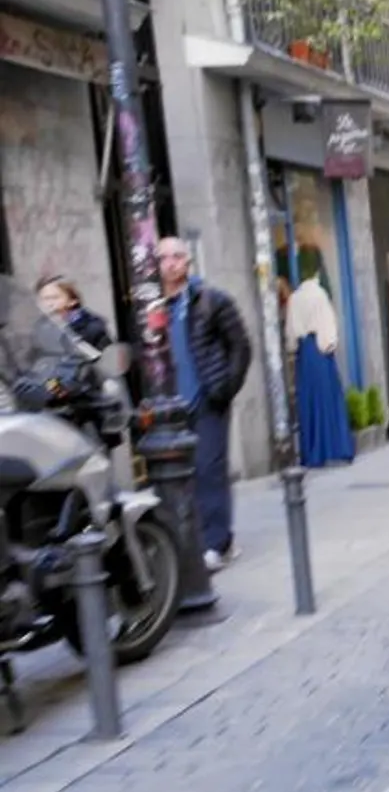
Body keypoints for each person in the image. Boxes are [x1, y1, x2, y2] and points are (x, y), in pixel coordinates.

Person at [156, 238, 253, 572]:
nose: (170, 263)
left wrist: (224, 388)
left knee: (209, 471)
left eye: (177, 256)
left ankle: (217, 543)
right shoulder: (150, 307)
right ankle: (193, 540)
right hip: (169, 406)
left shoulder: (212, 301)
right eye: (163, 258)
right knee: (182, 477)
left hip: (207, 400)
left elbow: (241, 346)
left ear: (188, 262)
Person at [284, 275, 356, 468]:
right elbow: (328, 326)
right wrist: (329, 344)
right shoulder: (319, 295)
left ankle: (313, 452)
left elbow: (290, 333)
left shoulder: (294, 298)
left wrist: (295, 346)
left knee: (309, 401)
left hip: (304, 352)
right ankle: (336, 447)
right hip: (320, 351)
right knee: (329, 398)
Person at [33, 275, 113, 351]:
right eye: (44, 299)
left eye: (54, 298)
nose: (49, 304)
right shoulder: (41, 328)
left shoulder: (92, 328)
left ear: (72, 301)